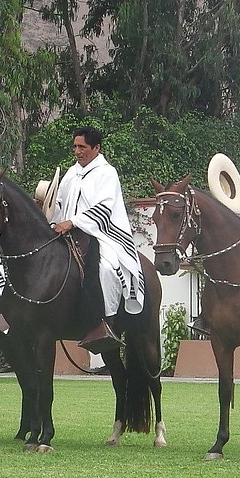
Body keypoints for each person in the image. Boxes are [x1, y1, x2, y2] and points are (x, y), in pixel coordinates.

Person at [49, 127, 144, 354]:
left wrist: (73, 222)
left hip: (101, 235)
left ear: (96, 148)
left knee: (107, 268)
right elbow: (60, 203)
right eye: (75, 146)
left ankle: (103, 323)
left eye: (82, 147)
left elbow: (104, 208)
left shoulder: (106, 173)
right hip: (67, 233)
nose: (77, 151)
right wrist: (55, 221)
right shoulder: (71, 173)